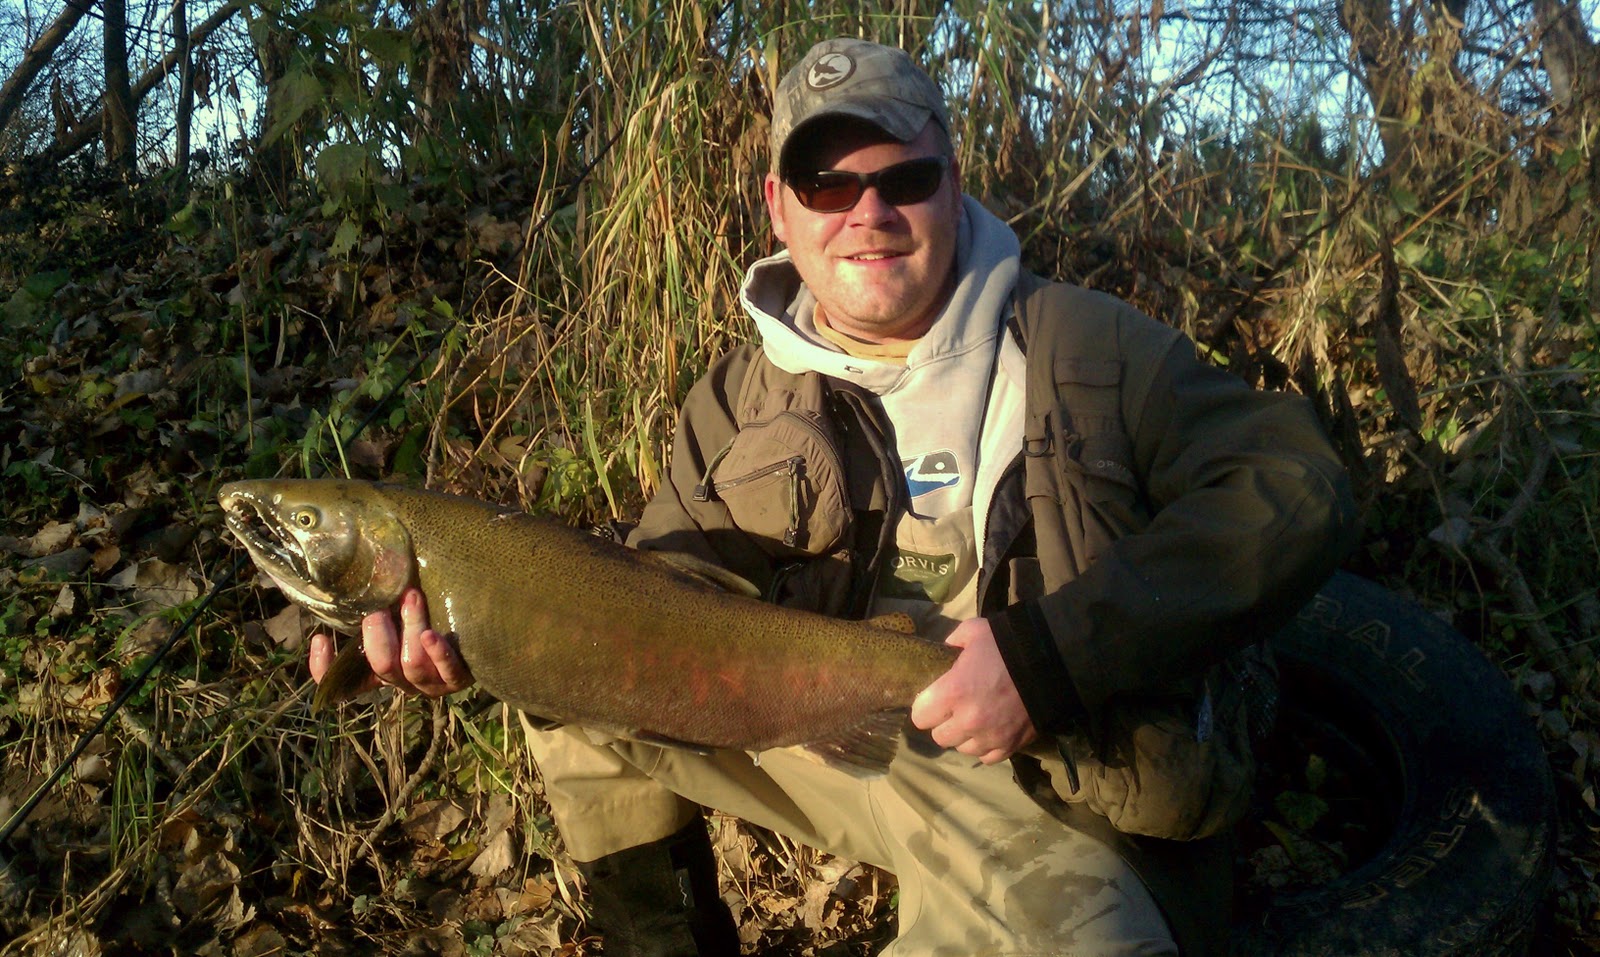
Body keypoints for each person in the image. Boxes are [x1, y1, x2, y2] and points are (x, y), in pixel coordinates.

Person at [310, 38, 1357, 957]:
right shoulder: (733, 396)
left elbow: (1295, 482)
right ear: (777, 203)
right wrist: (473, 631)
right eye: (824, 182)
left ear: (953, 186)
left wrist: (1055, 654)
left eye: (903, 176)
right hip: (839, 743)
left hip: (1054, 774)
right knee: (576, 679)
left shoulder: (1091, 347)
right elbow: (664, 599)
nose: (868, 213)